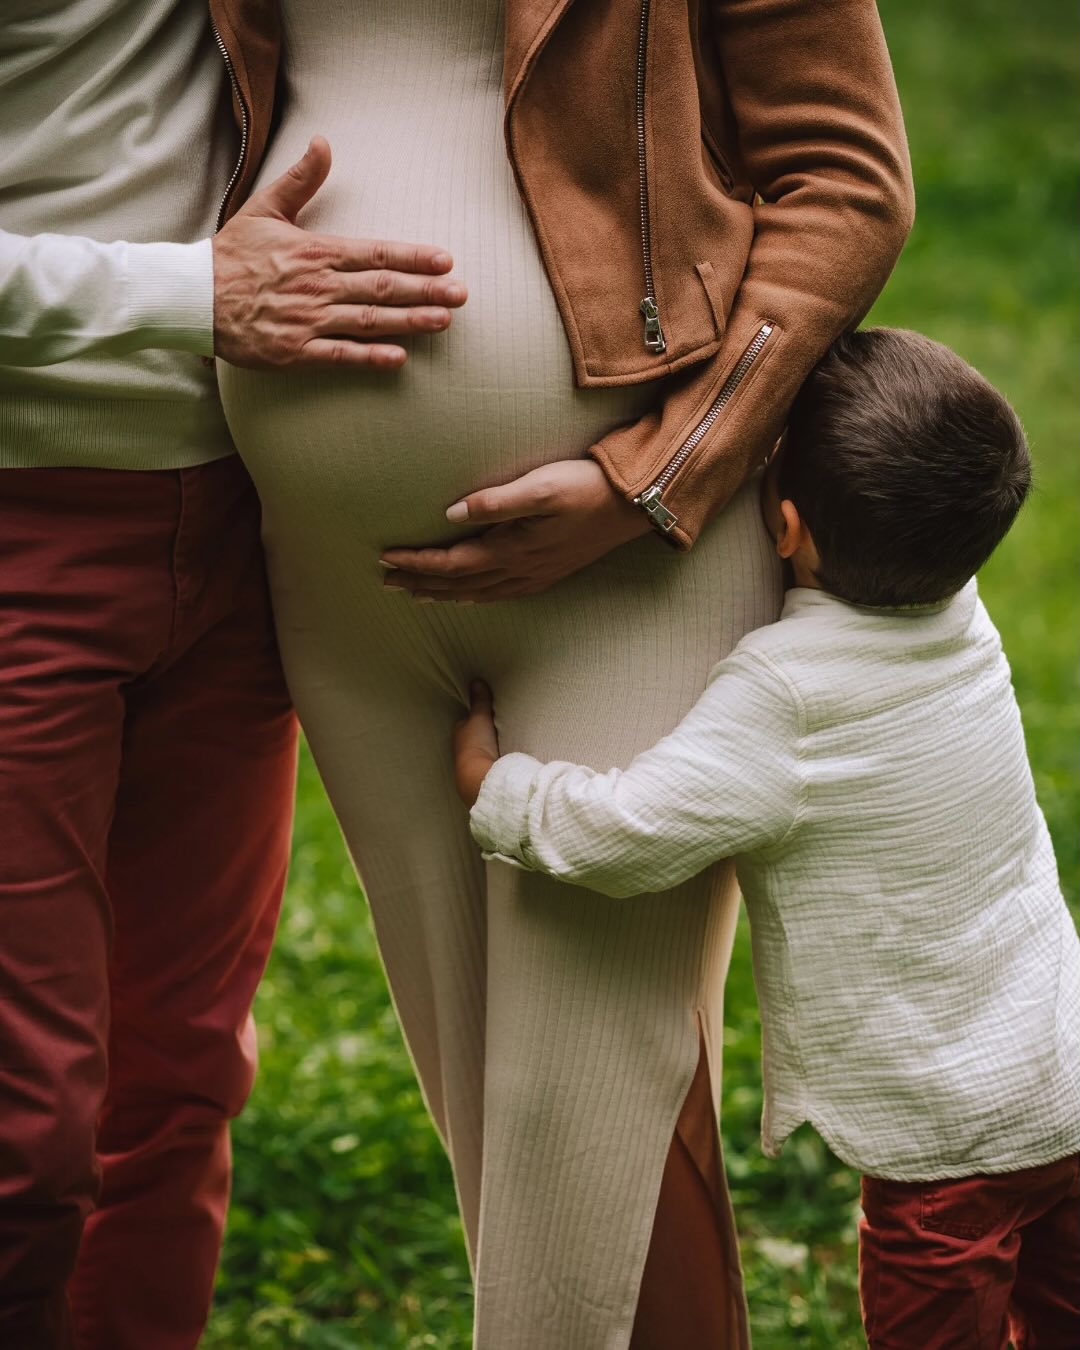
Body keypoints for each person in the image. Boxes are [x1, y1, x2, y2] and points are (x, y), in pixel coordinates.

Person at [214, 0, 913, 1343]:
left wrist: (652, 476)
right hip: (348, 587)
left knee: (581, 1107)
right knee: (498, 1116)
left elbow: (849, 177)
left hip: (635, 570)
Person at [454, 327, 1080, 1350]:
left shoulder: (788, 693)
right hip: (1065, 1074)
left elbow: (629, 834)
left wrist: (499, 786)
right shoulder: (962, 617)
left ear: (783, 526)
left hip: (941, 1146)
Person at [0, 4, 466, 1346]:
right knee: (23, 1127)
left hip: (238, 521)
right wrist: (193, 296)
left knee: (181, 1080)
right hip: (24, 514)